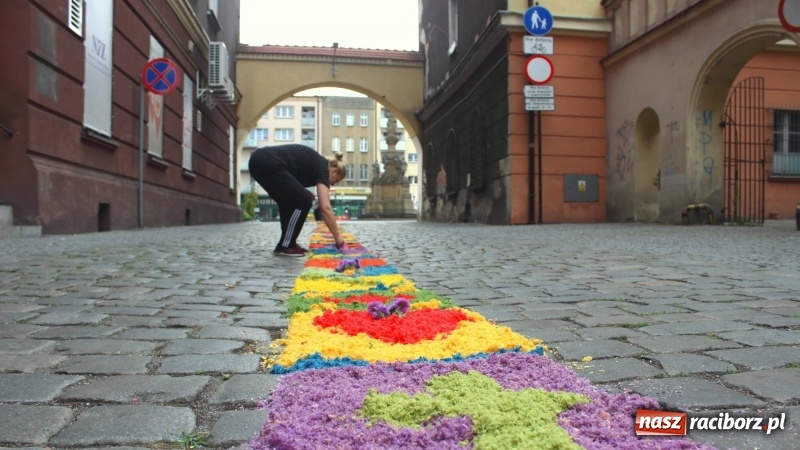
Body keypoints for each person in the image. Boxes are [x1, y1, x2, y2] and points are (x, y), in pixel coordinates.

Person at [248, 144, 346, 257]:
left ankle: (287, 243)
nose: (332, 184)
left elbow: (292, 180)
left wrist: (304, 192)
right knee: (303, 201)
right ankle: (286, 245)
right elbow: (325, 208)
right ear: (334, 171)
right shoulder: (323, 168)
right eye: (335, 181)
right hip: (269, 162)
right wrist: (338, 238)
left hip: (258, 161)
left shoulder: (317, 165)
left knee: (288, 202)